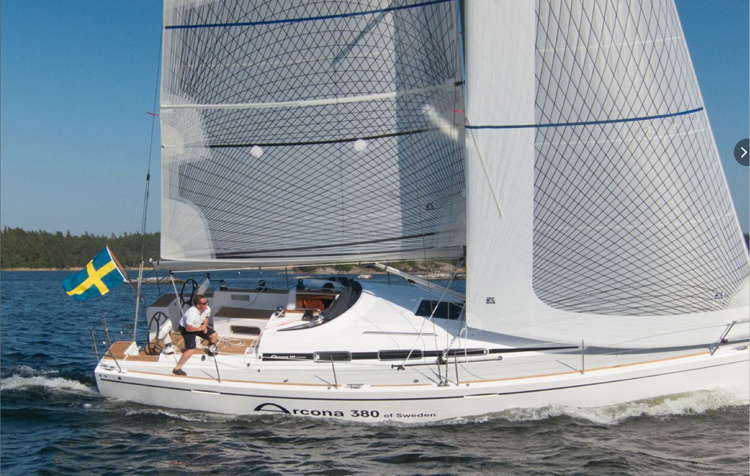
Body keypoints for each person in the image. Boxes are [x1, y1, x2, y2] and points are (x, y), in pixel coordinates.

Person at [172, 294, 219, 376]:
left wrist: (204, 326)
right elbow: (188, 328)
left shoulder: (207, 309)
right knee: (191, 349)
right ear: (198, 305)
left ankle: (210, 350)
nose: (206, 304)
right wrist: (200, 329)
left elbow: (207, 317)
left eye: (207, 302)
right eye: (204, 303)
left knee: (214, 335)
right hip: (186, 328)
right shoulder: (191, 313)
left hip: (198, 325)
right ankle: (177, 369)